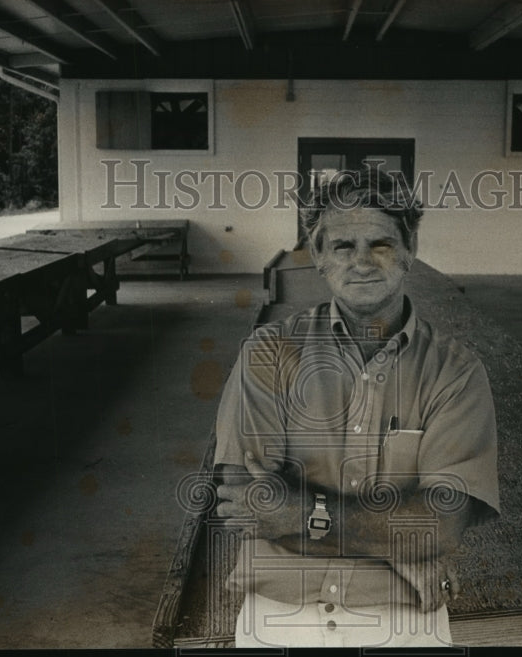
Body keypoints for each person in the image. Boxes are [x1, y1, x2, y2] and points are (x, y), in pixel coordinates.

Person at [213, 167, 500, 647]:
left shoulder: (455, 370)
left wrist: (304, 512)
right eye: (344, 246)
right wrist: (402, 548)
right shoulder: (268, 352)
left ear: (410, 250)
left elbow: (443, 522)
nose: (363, 261)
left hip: (401, 622)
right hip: (283, 615)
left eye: (382, 244)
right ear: (319, 258)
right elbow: (248, 502)